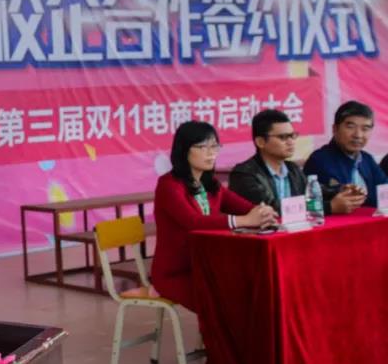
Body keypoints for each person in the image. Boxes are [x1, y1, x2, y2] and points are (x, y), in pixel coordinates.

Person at [151, 121, 276, 311]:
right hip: (178, 271)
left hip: (209, 264)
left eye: (215, 146)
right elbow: (193, 222)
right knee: (224, 301)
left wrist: (263, 212)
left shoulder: (210, 184)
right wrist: (244, 221)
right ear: (184, 150)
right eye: (203, 147)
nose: (211, 153)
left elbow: (246, 208)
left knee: (251, 287)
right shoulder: (168, 185)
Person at [228, 109, 365, 215]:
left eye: (292, 136)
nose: (291, 142)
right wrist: (329, 207)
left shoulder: (292, 169)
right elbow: (271, 208)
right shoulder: (244, 174)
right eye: (283, 137)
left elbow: (316, 191)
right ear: (260, 142)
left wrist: (342, 190)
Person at [303, 101, 388, 210]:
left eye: (365, 129)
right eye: (350, 127)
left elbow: (384, 192)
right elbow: (310, 205)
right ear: (335, 129)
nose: (358, 135)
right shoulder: (319, 160)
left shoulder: (367, 159)